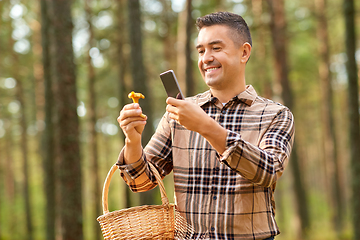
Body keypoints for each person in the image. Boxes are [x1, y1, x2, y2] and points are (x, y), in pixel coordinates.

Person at [117, 11, 294, 240]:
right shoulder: (178, 113)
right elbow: (141, 182)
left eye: (216, 48)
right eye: (201, 51)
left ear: (244, 52)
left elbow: (268, 171)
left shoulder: (275, 114)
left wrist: (206, 127)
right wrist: (132, 141)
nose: (206, 58)